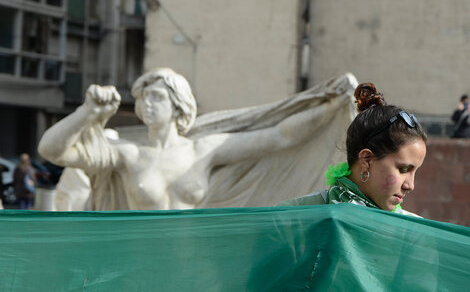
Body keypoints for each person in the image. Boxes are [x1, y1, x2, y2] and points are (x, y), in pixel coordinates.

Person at [38, 68, 357, 210]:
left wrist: (329, 104)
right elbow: (52, 149)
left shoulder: (202, 150)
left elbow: (279, 136)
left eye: (158, 97)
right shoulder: (128, 155)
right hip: (141, 259)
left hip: (195, 258)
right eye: (144, 96)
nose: (148, 102)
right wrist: (87, 112)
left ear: (178, 105)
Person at [277, 83, 427, 216]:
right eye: (404, 169)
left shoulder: (414, 232)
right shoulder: (291, 217)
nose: (410, 186)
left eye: (415, 172)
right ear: (367, 159)